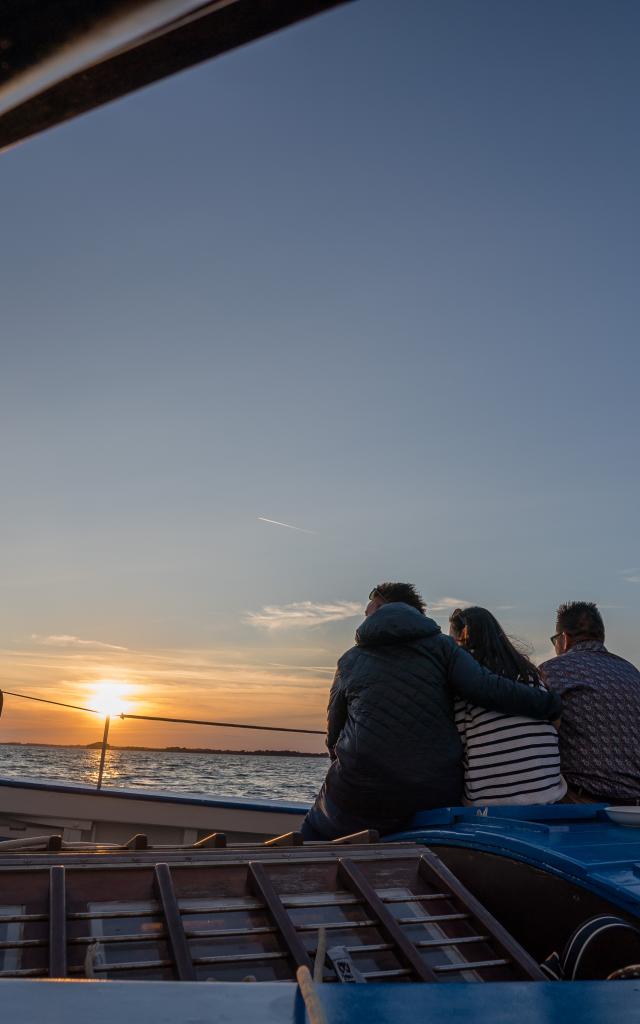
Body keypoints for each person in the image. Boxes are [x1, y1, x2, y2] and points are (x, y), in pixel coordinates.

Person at [301, 582, 562, 840]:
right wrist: (550, 705)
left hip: (362, 791)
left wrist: (346, 761)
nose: (365, 615)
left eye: (369, 609)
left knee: (313, 828)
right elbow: (485, 687)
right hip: (433, 791)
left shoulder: (349, 660)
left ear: (382, 606)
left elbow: (334, 732)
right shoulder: (443, 647)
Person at [448, 606, 566, 805]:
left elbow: (456, 747)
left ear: (462, 640)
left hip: (491, 807)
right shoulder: (531, 677)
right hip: (548, 799)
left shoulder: (464, 689)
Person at [539, 601, 640, 804]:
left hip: (580, 801)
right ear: (600, 637)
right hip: (634, 805)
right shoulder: (632, 673)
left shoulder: (550, 672)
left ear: (564, 639)